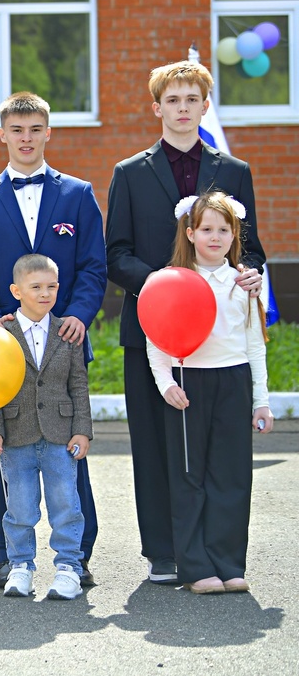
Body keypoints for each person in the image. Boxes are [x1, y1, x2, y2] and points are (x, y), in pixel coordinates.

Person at [106, 60, 266, 585]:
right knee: (157, 444)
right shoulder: (130, 172)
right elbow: (116, 254)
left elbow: (252, 249)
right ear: (157, 107)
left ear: (204, 106)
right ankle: (164, 551)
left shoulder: (234, 171)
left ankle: (216, 553)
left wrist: (250, 274)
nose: (182, 108)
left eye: (191, 100)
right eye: (172, 100)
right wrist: (167, 288)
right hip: (153, 332)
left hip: (220, 340)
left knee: (214, 453)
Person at [0, 92, 105, 589]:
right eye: (17, 130)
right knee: (5, 447)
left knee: (69, 448)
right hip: (3, 346)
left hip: (63, 342)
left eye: (35, 129)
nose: (26, 138)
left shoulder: (78, 194)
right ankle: (5, 555)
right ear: (2, 134)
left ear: (48, 132)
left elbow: (93, 266)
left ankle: (77, 554)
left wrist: (78, 315)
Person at [145, 192, 273, 594]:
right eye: (206, 229)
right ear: (190, 233)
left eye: (223, 230)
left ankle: (228, 563)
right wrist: (166, 383)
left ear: (235, 235)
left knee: (231, 476)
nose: (215, 237)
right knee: (189, 476)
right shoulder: (170, 280)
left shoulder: (245, 283)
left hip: (233, 382)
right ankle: (196, 567)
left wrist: (261, 400)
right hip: (188, 384)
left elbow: (255, 344)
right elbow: (156, 338)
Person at [0, 254, 92, 600]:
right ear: (16, 291)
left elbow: (78, 384)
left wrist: (82, 429)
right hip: (16, 435)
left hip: (60, 435)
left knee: (66, 505)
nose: (45, 294)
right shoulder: (2, 334)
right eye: (36, 287)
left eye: (52, 287)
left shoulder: (67, 332)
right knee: (20, 508)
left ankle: (69, 567)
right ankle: (20, 566)